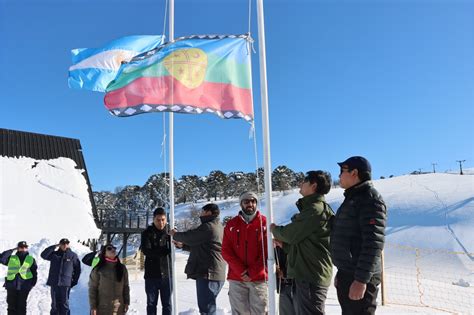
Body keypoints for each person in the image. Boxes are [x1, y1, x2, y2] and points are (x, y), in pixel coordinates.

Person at [271, 170, 334, 315]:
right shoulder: (313, 209)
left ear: (313, 185)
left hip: (311, 276)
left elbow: (290, 234)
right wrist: (285, 245)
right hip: (307, 274)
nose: (300, 184)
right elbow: (305, 242)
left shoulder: (315, 209)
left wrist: (275, 229)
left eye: (304, 181)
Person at [331, 156, 387, 315]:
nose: (339, 176)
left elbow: (373, 243)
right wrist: (342, 271)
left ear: (354, 173)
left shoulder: (370, 199)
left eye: (342, 171)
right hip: (349, 274)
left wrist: (361, 280)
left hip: (360, 277)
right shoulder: (353, 198)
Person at [169, 203, 226, 315]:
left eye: (202, 212)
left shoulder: (209, 227)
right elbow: (204, 246)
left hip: (208, 274)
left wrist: (175, 234)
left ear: (208, 212)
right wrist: (183, 246)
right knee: (208, 308)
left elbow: (191, 236)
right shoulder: (219, 226)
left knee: (207, 310)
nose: (200, 214)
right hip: (216, 273)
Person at [222, 191, 268, 315]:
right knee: (239, 312)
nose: (250, 204)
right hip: (237, 278)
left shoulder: (265, 223)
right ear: (241, 204)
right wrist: (241, 271)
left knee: (261, 312)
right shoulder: (231, 224)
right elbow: (226, 250)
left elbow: (267, 252)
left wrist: (252, 272)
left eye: (253, 201)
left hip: (258, 278)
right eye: (246, 201)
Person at [141, 207, 172, 315]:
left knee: (167, 304)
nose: (161, 222)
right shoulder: (147, 233)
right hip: (151, 275)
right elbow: (146, 250)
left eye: (163, 219)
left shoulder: (170, 233)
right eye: (158, 220)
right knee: (151, 304)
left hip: (167, 275)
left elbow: (180, 245)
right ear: (153, 219)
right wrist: (164, 251)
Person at [41, 238, 81, 315]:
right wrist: (54, 246)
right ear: (60, 245)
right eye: (62, 244)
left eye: (66, 243)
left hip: (66, 284)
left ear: (68, 244)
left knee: (64, 304)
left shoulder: (73, 256)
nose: (65, 245)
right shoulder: (54, 254)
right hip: (54, 283)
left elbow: (77, 270)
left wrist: (74, 281)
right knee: (54, 304)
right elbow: (43, 255)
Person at [88, 244, 130, 314]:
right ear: (104, 253)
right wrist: (93, 307)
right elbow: (92, 289)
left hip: (118, 308)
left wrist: (126, 302)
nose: (113, 249)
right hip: (102, 308)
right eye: (109, 248)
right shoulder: (98, 269)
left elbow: (126, 287)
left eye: (114, 248)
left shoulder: (122, 268)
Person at [0, 241, 38, 315]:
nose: (23, 249)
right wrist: (12, 250)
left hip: (24, 286)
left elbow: (34, 272)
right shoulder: (11, 258)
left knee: (21, 306)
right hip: (12, 285)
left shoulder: (31, 259)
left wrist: (32, 284)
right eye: (21, 247)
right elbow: (1, 258)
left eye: (25, 247)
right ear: (18, 248)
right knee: (11, 306)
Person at [274, 246, 295, 315]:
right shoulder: (276, 243)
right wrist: (274, 267)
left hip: (300, 285)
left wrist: (285, 272)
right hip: (283, 286)